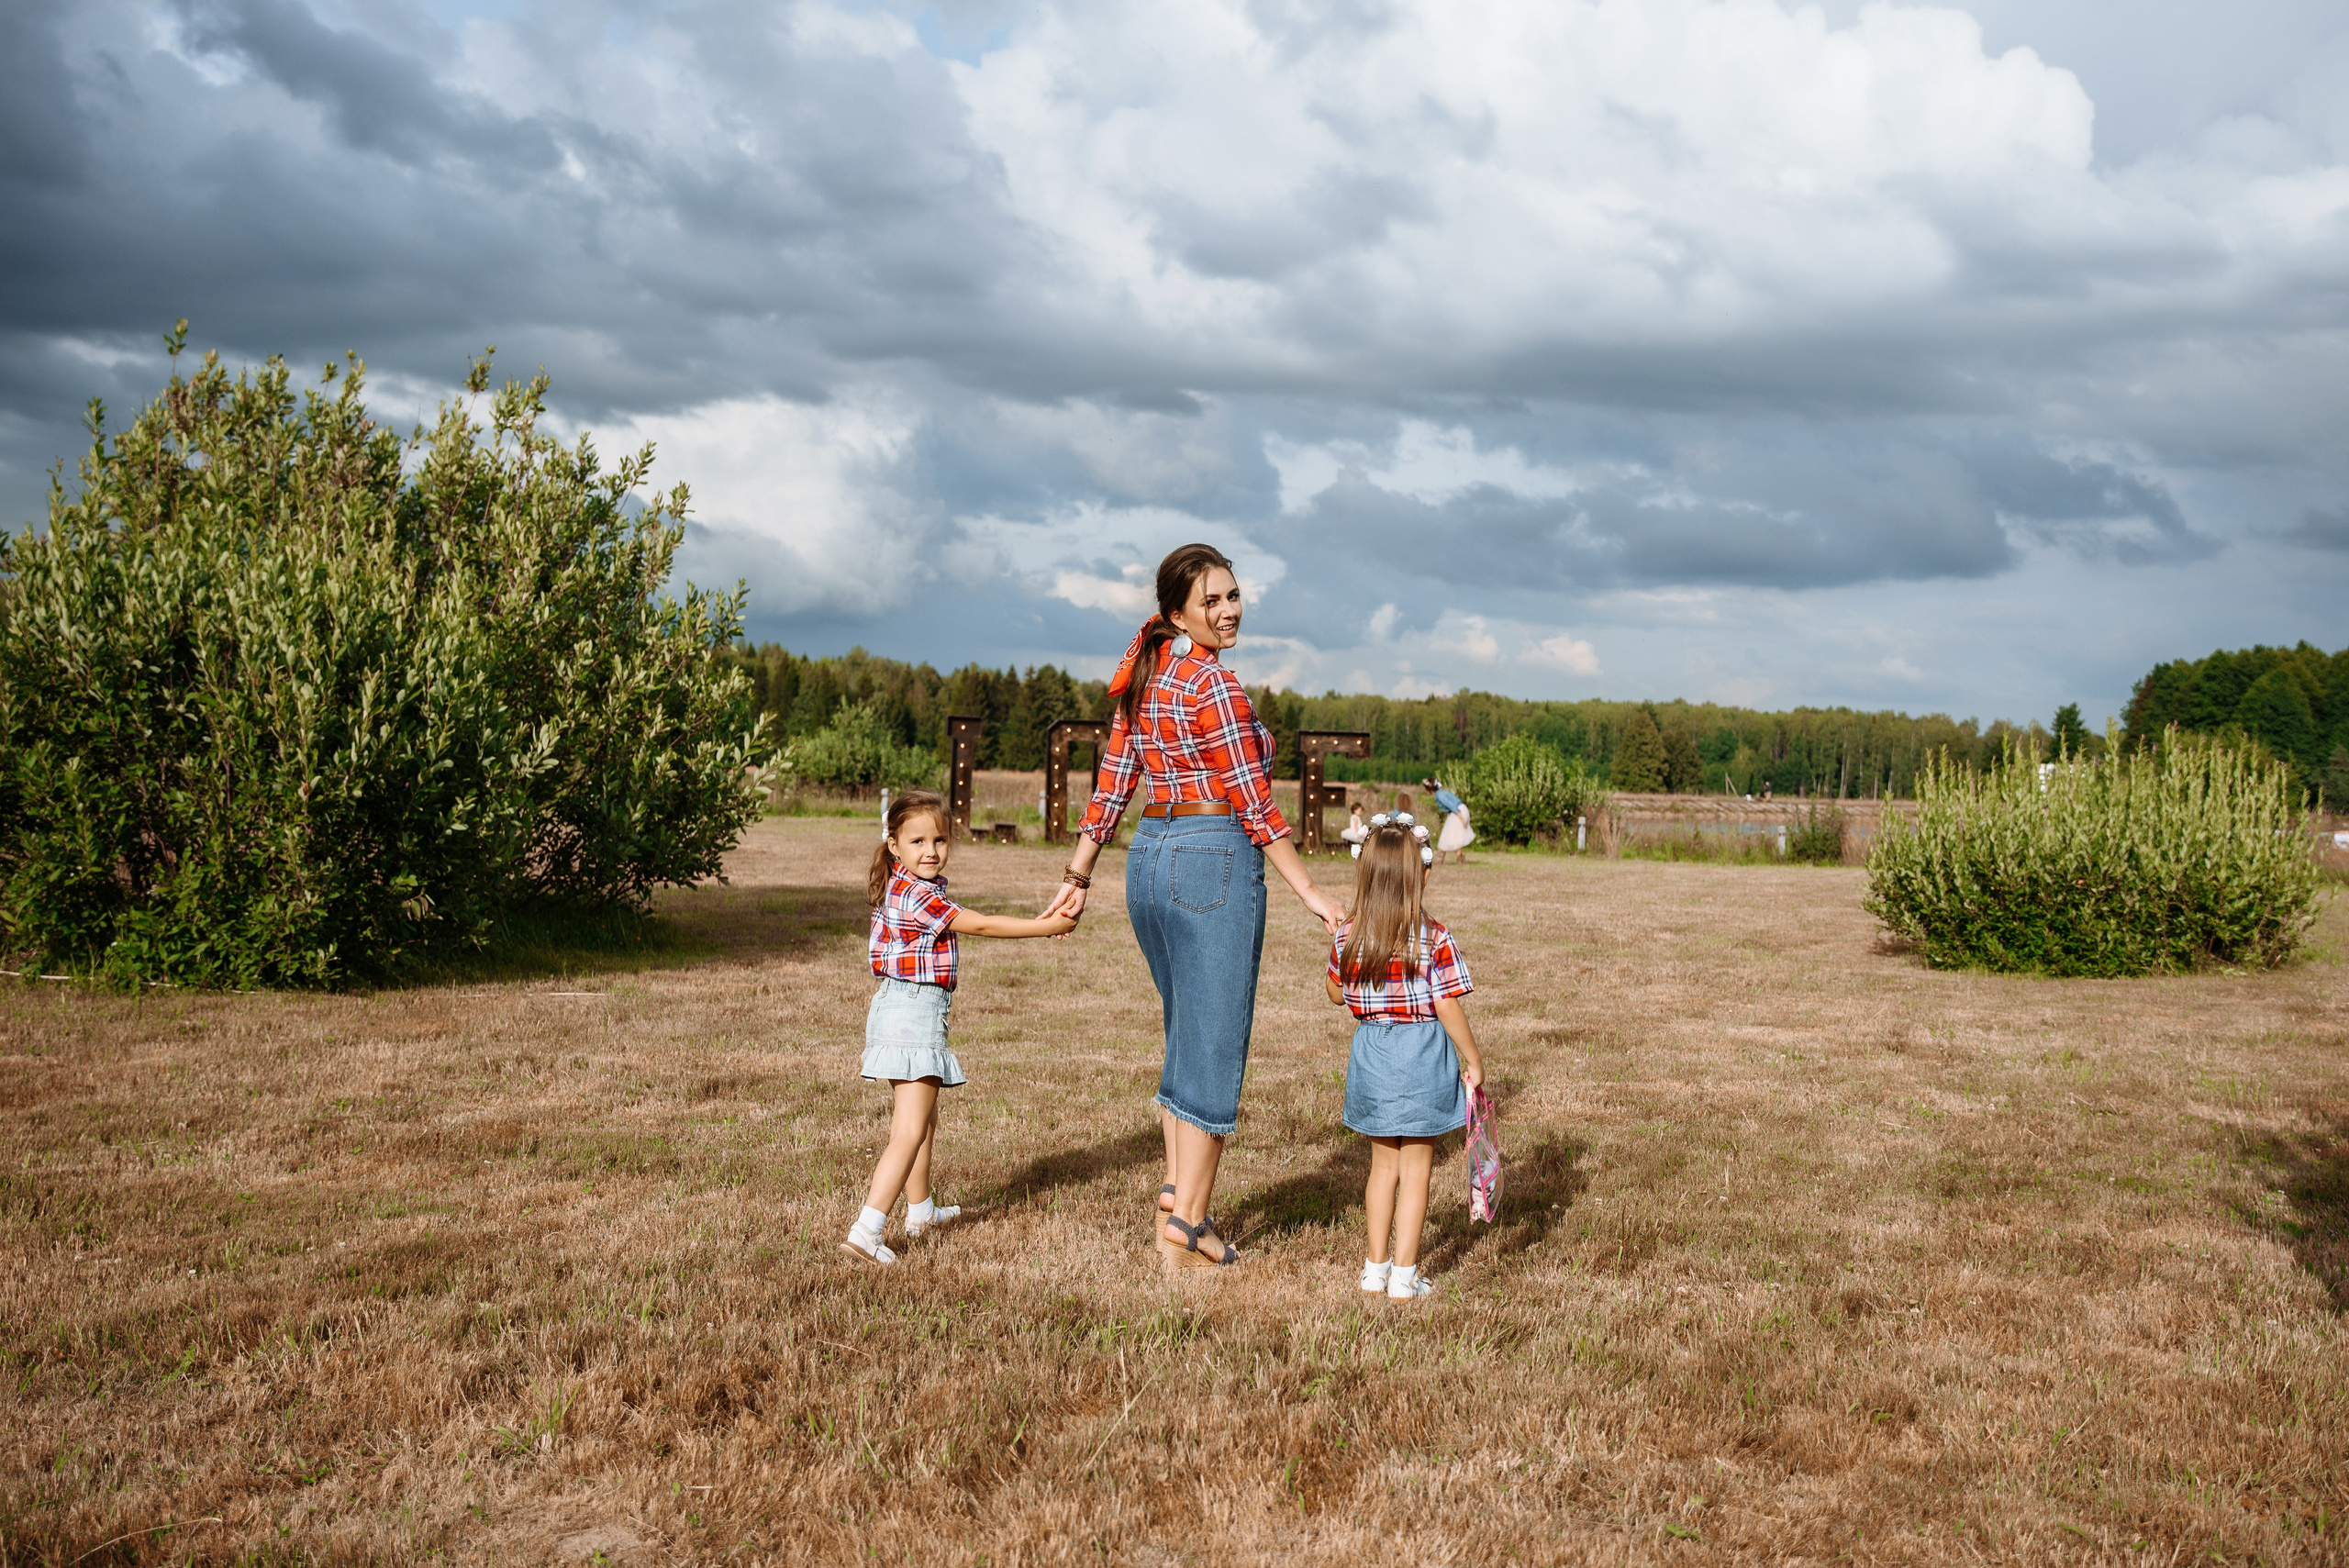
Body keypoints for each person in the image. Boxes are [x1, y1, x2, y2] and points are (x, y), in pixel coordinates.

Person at [1044, 543, 1344, 1272]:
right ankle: (1189, 1223)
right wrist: (1309, 889)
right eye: (1212, 601)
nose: (1229, 610)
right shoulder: (1214, 684)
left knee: (1186, 1031)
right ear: (1177, 612)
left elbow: (1117, 778)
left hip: (1149, 859)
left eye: (1234, 595)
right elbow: (1255, 803)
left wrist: (1080, 871)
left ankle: (1174, 1196)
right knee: (1212, 1043)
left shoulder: (1146, 676)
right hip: (1211, 854)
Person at [843, 789, 1076, 1265]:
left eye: (940, 839)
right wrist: (1045, 925)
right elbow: (983, 925)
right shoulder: (917, 895)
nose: (931, 851)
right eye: (917, 841)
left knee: (924, 1119)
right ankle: (866, 1230)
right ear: (894, 845)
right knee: (909, 1130)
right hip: (913, 1013)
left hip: (896, 1007)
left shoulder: (900, 884)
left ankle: (921, 1210)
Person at [1326, 813, 1486, 1300]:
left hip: (1372, 1053)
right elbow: (1446, 1002)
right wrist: (1473, 1058)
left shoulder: (1349, 934)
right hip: (1420, 1054)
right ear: (1422, 875)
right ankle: (1405, 1276)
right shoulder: (1434, 937)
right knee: (1417, 1170)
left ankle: (1374, 1271)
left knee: (1382, 1169)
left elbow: (1336, 994)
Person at [1422, 776, 1475, 864]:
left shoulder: (1440, 795)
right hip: (1457, 812)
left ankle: (1444, 857)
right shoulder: (1440, 794)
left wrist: (1461, 818)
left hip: (1458, 812)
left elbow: (1451, 805)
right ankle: (1459, 856)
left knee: (1449, 834)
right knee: (1451, 835)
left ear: (1429, 789)